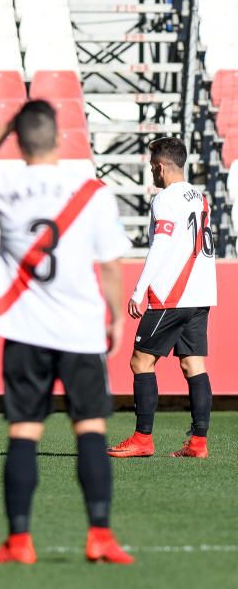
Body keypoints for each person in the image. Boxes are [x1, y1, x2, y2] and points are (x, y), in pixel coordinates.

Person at [0, 101, 133, 564]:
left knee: (23, 434)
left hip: (25, 330)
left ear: (19, 141)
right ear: (59, 139)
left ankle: (19, 541)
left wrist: (3, 127)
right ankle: (100, 535)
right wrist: (116, 317)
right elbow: (112, 265)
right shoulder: (91, 192)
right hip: (80, 333)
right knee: (91, 432)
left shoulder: (3, 183)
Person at [107, 137, 217, 459]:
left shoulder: (165, 199)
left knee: (140, 361)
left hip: (172, 295)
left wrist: (139, 291)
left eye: (151, 166)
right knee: (193, 364)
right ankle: (198, 443)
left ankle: (143, 439)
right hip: (201, 293)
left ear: (159, 166)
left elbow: (161, 248)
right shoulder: (200, 197)